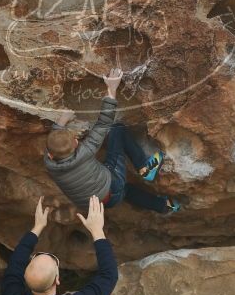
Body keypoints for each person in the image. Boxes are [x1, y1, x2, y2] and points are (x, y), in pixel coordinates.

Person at [44, 68, 180, 213]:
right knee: (117, 128)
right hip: (110, 187)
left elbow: (55, 145)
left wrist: (60, 124)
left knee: (125, 191)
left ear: (50, 155)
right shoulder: (85, 151)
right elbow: (104, 123)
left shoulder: (50, 164)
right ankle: (145, 168)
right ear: (77, 143)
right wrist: (111, 87)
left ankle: (163, 206)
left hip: (99, 205)